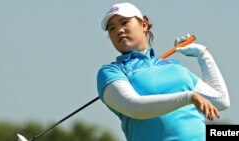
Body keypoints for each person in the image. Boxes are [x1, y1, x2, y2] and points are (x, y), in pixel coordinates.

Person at [97, 2, 230, 141]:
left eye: (124, 22)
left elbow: (220, 101)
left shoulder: (174, 66)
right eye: (111, 28)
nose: (119, 30)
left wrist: (203, 54)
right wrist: (189, 97)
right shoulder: (111, 72)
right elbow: (134, 107)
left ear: (144, 25)